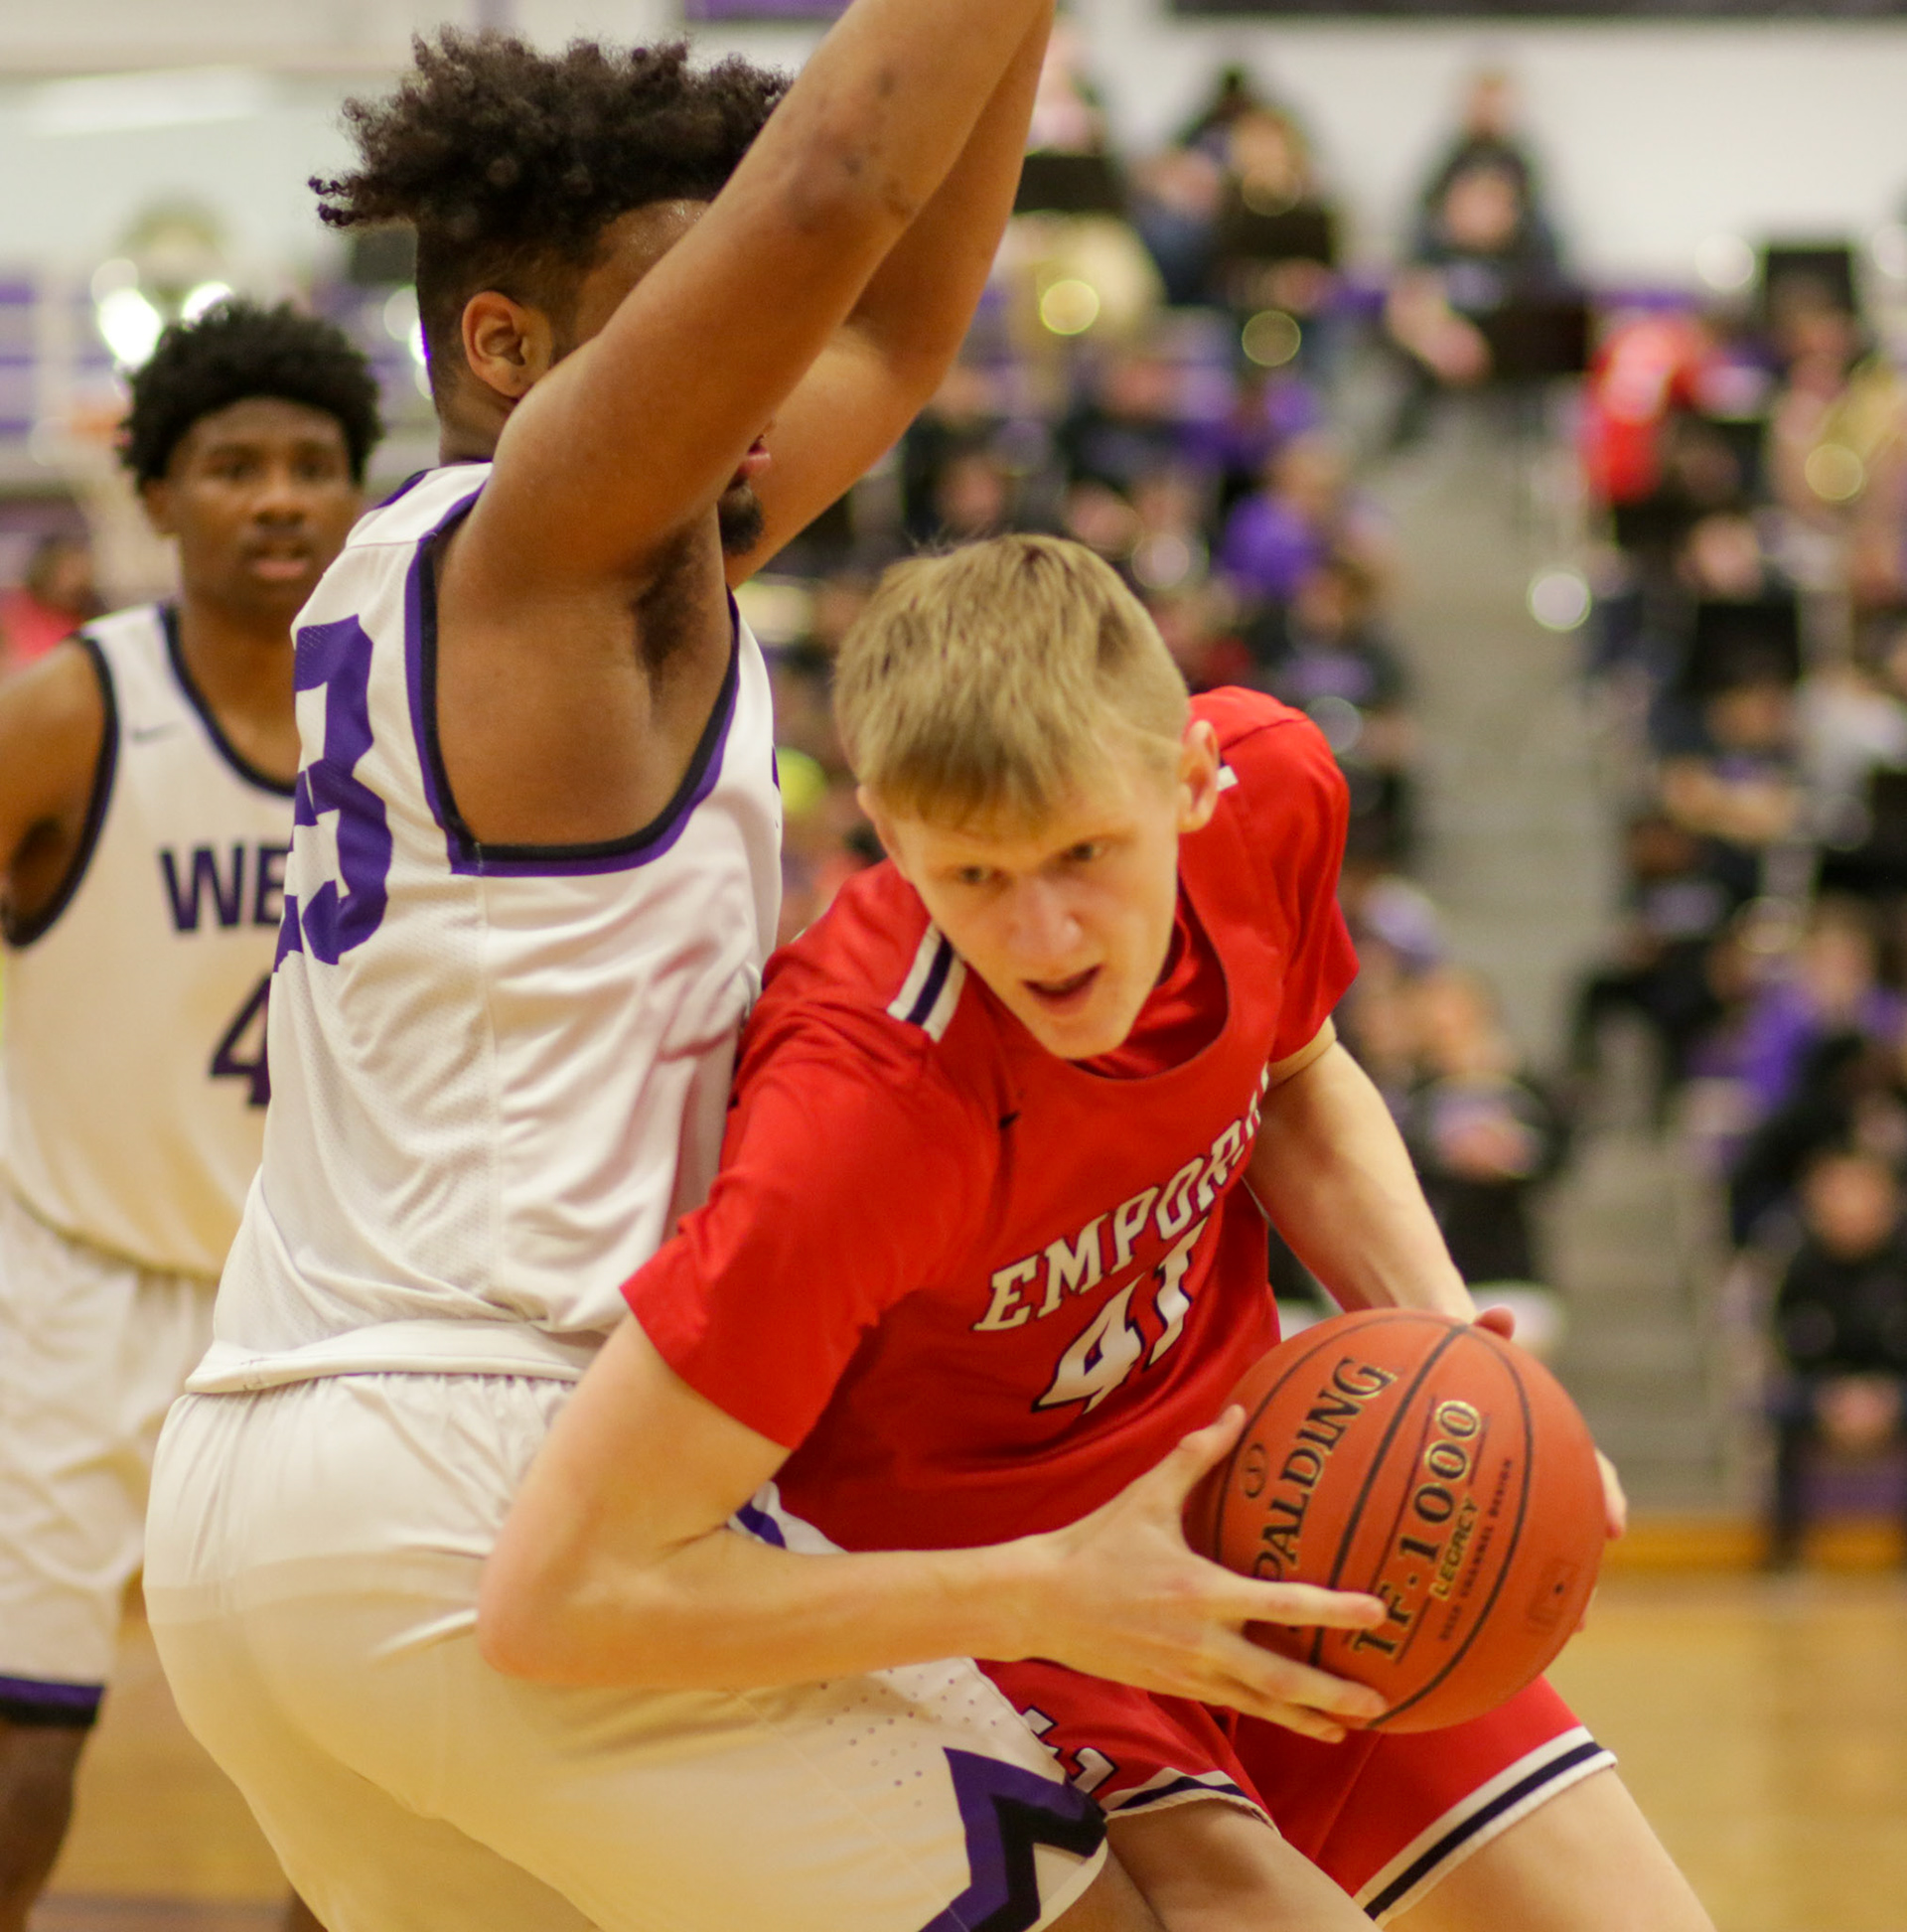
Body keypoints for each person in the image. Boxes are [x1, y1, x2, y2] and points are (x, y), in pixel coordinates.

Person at [141, 18, 1301, 1932]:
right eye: (702, 314)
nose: (756, 356)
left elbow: (898, 324)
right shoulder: (554, 551)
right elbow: (843, 185)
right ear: (506, 347)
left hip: (268, 1498)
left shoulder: (572, 567)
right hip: (494, 1457)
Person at [481, 535, 1716, 1932]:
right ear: (885, 829)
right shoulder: (854, 1121)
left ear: (1189, 777)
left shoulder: (1276, 793)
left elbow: (1296, 1076)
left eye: (1084, 853)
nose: (1049, 932)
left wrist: (1459, 1347)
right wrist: (1044, 1596)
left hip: (1270, 1495)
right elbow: (555, 1593)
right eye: (978, 877)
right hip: (985, 1610)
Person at [0, 299, 377, 1932]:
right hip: (69, 1273)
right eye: (234, 465)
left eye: (314, 464)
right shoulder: (70, 713)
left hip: (308, 1298)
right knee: (25, 1726)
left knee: (370, 1748)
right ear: (156, 495)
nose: (279, 497)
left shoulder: (411, 724)